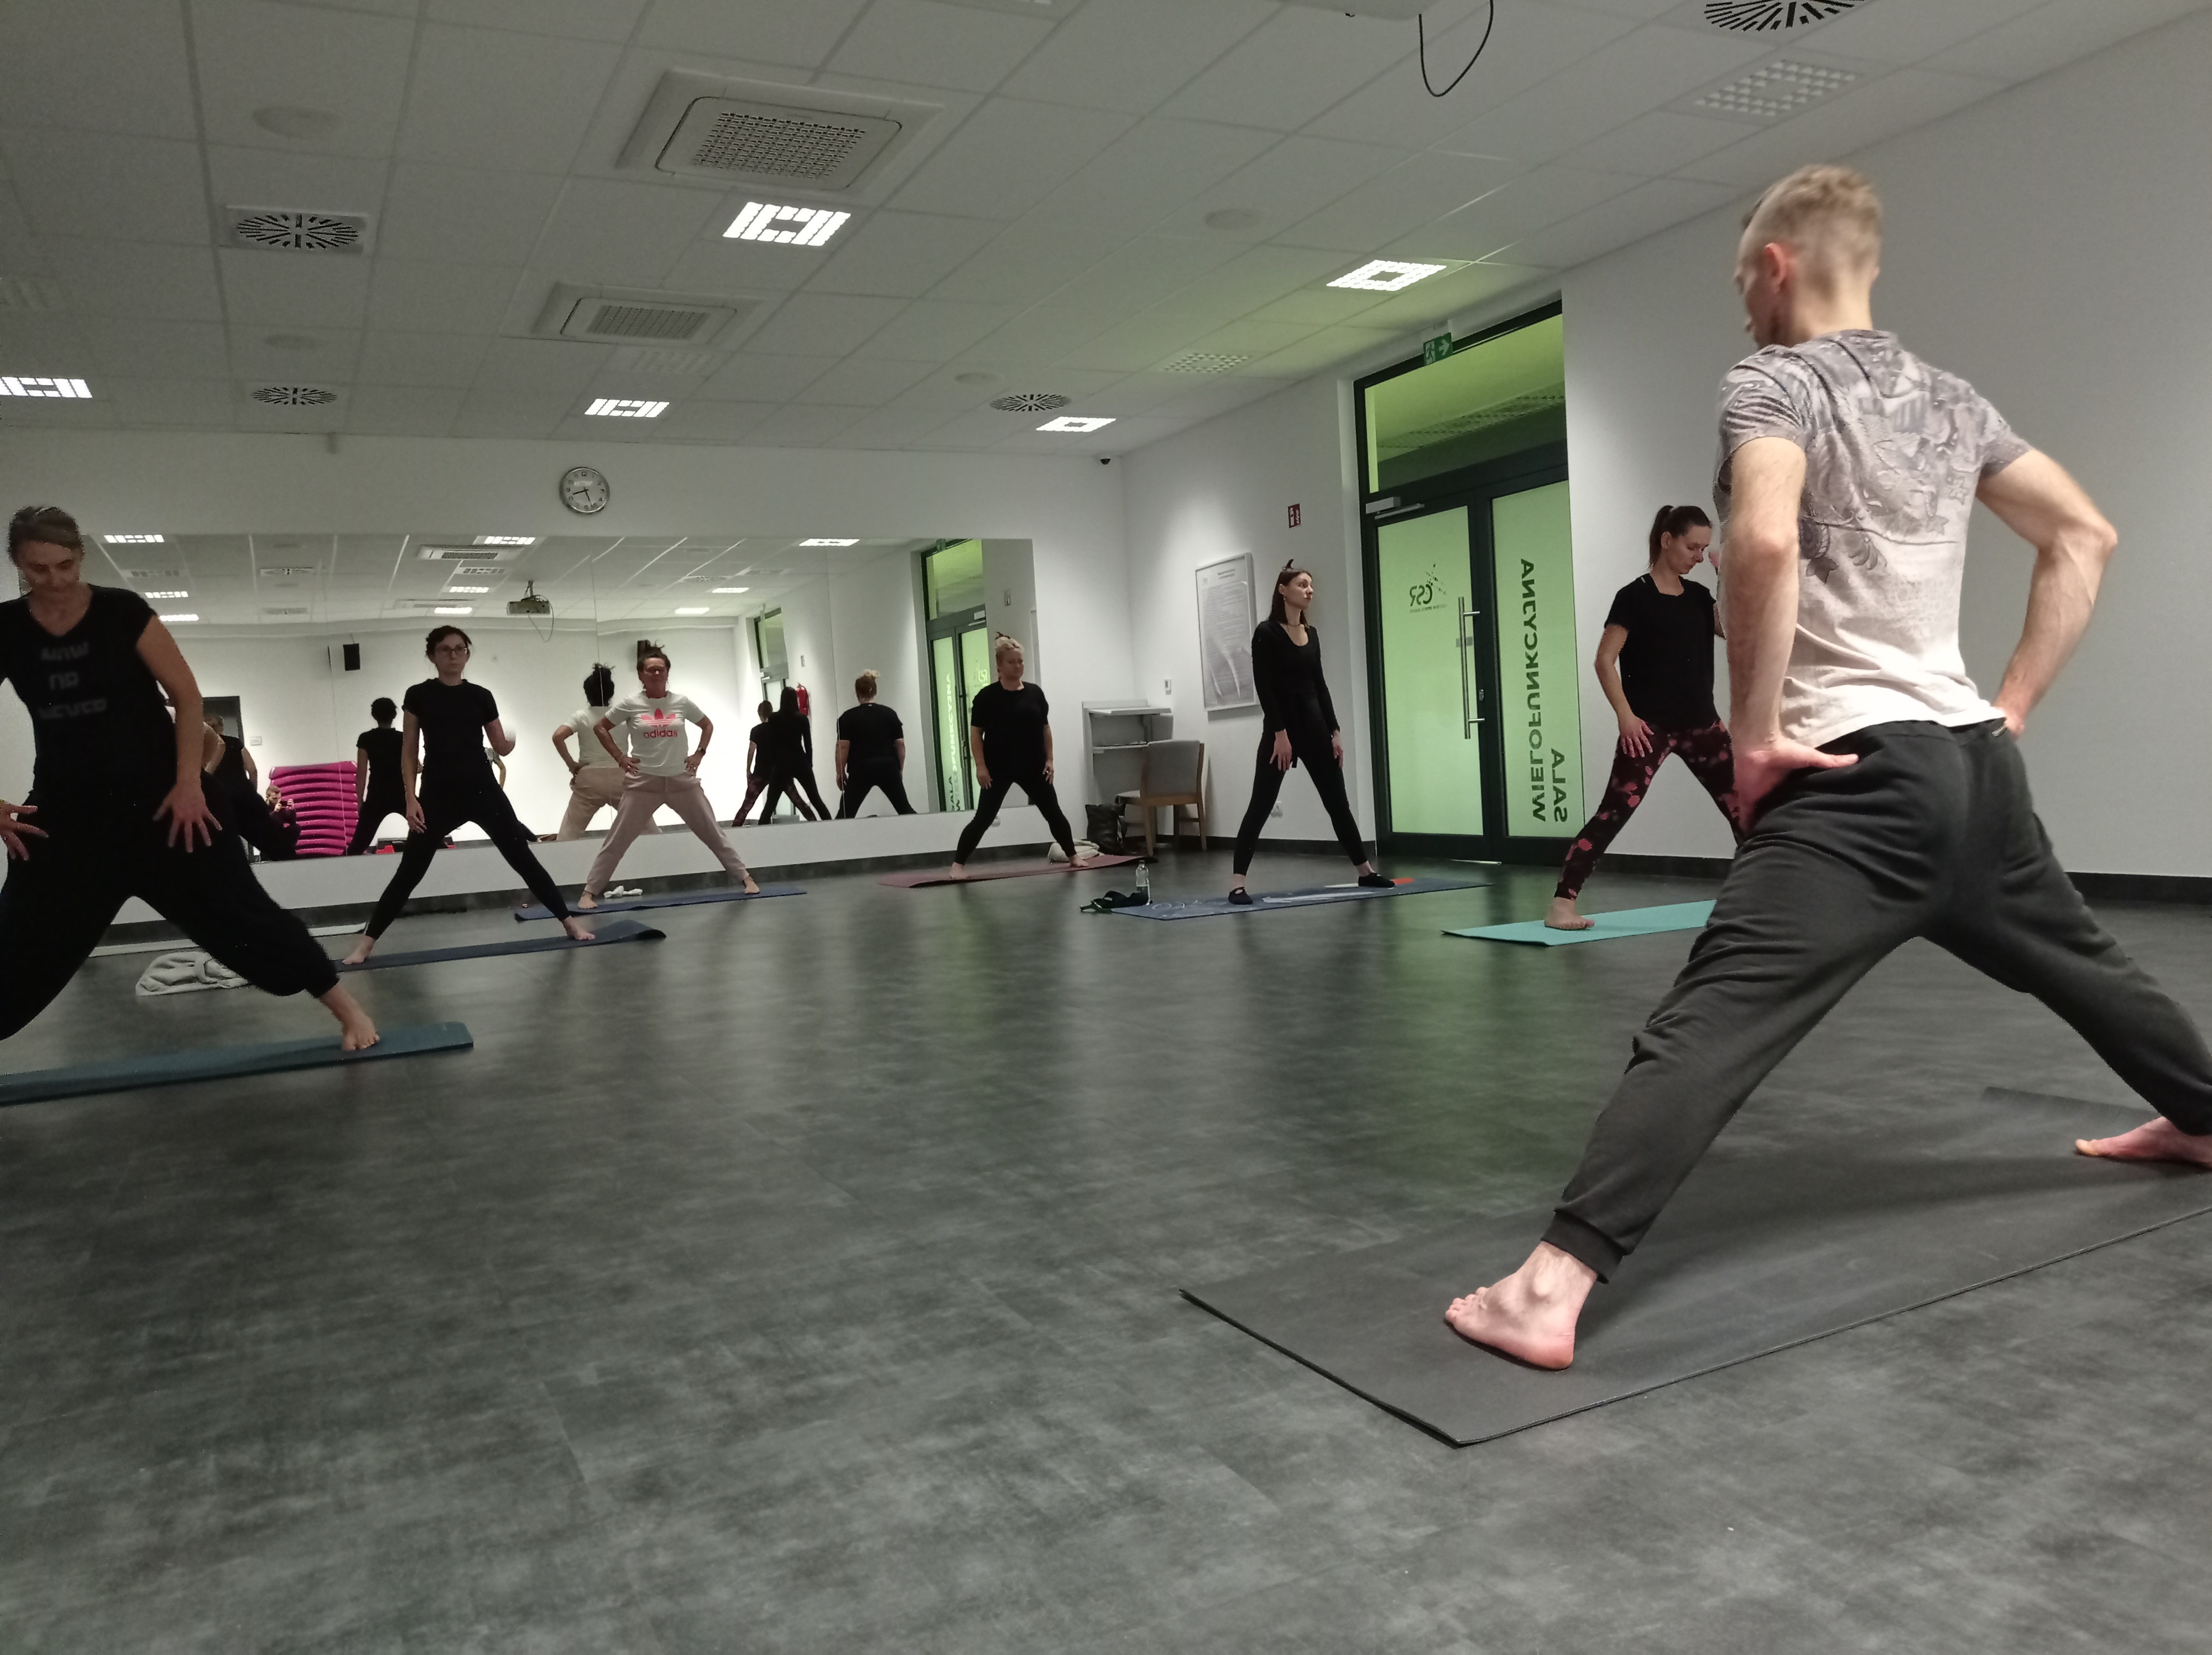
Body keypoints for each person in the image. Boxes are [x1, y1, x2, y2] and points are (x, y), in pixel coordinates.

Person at [1446, 164, 2212, 1372]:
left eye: (1741, 283)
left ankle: (1547, 1288)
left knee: (1711, 1018)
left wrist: (1753, 734)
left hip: (1854, 781)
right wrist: (2008, 706)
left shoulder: (1774, 381)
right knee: (2088, 967)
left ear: (1777, 265)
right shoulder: (1954, 400)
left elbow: (1757, 538)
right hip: (1974, 769)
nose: (1743, 309)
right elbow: (2084, 534)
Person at [0, 505, 377, 1048]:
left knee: (244, 918)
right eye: (39, 569)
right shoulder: (7, 628)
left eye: (65, 565)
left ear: (80, 557)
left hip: (168, 805)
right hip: (68, 814)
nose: (55, 579)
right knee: (19, 941)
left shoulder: (121, 611)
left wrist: (189, 784)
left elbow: (186, 695)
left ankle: (348, 1011)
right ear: (18, 563)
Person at [340, 625, 591, 964]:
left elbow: (500, 744)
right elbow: (409, 751)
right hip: (438, 794)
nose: (454, 655)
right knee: (409, 872)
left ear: (468, 654)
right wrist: (411, 799)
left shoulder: (481, 696)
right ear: (432, 656)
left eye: (460, 649)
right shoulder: (418, 695)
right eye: (445, 650)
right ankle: (366, 944)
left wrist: (512, 739)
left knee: (523, 858)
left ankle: (569, 923)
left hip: (482, 789)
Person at [1547, 506, 1741, 929]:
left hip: (1702, 725)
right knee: (1614, 812)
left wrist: (1725, 577)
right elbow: (1604, 661)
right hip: (1647, 729)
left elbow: (1733, 631)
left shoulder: (1699, 598)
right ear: (1667, 540)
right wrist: (1625, 716)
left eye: (1704, 549)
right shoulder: (1633, 597)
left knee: (1745, 811)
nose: (1698, 556)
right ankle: (1562, 906)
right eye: (1692, 547)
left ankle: (1765, 898)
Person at [1227, 563, 1389, 903]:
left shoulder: (1312, 634)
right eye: (1302, 584)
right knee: (1261, 805)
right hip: (1281, 734)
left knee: (1338, 804)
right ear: (1283, 590)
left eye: (1311, 585)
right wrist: (1279, 733)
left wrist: (1335, 730)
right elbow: (1264, 687)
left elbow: (1320, 686)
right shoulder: (1266, 633)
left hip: (1316, 729)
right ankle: (1237, 883)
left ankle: (1365, 872)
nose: (1309, 590)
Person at [577, 645, 758, 909]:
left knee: (712, 832)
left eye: (661, 669)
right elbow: (600, 727)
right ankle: (589, 892)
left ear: (668, 673)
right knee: (618, 840)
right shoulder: (631, 704)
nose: (656, 673)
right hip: (643, 783)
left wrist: (699, 754)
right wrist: (620, 757)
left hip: (681, 781)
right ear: (641, 675)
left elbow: (707, 725)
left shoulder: (681, 702)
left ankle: (746, 878)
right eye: (651, 670)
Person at [948, 635, 1083, 877]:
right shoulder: (986, 697)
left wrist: (1050, 760)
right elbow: (976, 734)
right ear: (999, 666)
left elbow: (1045, 729)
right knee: (984, 818)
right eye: (1012, 662)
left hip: (1033, 766)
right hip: (998, 768)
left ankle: (1073, 856)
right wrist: (981, 766)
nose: (1018, 666)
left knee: (1053, 812)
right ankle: (958, 866)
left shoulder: (1035, 693)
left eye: (1020, 661)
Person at [552, 664, 654, 842]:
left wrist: (572, 765)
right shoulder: (622, 717)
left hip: (590, 780)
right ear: (611, 694)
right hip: (621, 777)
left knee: (568, 836)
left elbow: (558, 737)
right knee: (649, 830)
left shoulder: (580, 716)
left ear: (587, 695)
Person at [836, 670, 914, 818]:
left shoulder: (847, 718)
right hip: (887, 766)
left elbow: (842, 747)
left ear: (857, 693)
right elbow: (901, 744)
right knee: (905, 809)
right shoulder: (890, 714)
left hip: (860, 769)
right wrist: (900, 769)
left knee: (845, 814)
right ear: (875, 692)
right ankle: (924, 829)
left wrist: (840, 772)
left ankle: (836, 834)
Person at [748, 687, 822, 825]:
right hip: (800, 761)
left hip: (782, 764)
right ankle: (832, 827)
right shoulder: (802, 719)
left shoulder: (774, 719)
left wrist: (775, 763)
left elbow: (771, 744)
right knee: (816, 800)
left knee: (770, 805)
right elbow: (808, 745)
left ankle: (760, 834)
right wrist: (809, 764)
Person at [347, 697, 405, 854]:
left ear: (374, 716)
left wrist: (359, 801)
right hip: (401, 792)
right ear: (394, 715)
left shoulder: (366, 739)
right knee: (429, 834)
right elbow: (415, 766)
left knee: (357, 846)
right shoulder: (402, 738)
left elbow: (362, 772)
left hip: (377, 794)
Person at [728, 699, 775, 826]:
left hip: (760, 772)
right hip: (776, 772)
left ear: (760, 714)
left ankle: (735, 828)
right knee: (794, 798)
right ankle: (814, 822)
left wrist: (748, 770)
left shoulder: (756, 731)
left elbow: (751, 751)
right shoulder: (778, 729)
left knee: (747, 804)